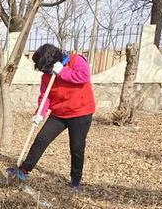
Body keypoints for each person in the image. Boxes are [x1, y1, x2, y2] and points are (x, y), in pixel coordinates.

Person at [6, 43, 96, 191]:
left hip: (80, 112)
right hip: (59, 113)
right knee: (41, 139)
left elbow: (83, 77)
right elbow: (45, 96)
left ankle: (75, 181)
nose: (44, 71)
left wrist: (63, 72)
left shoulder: (76, 60)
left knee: (77, 147)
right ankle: (24, 170)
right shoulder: (47, 76)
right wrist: (39, 114)